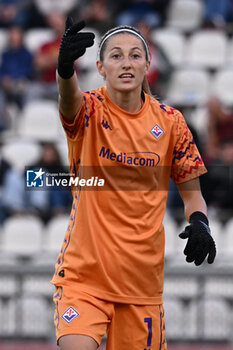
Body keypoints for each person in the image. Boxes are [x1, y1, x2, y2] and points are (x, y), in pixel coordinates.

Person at [51, 17, 216, 350]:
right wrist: (65, 70)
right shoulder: (91, 110)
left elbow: (192, 196)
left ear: (147, 64)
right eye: (115, 55)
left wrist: (199, 223)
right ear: (100, 66)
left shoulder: (172, 123)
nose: (126, 63)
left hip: (141, 286)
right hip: (85, 279)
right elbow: (69, 101)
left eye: (134, 55)